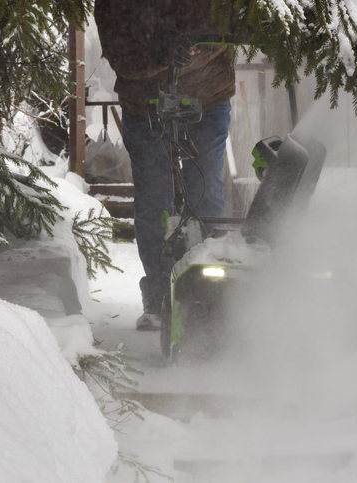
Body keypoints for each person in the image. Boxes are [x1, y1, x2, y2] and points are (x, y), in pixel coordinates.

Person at [95, 0, 235, 330]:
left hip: (208, 95)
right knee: (154, 198)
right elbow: (119, 55)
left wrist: (193, 45)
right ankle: (159, 297)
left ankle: (212, 292)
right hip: (145, 105)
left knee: (206, 193)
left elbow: (229, 26)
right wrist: (159, 55)